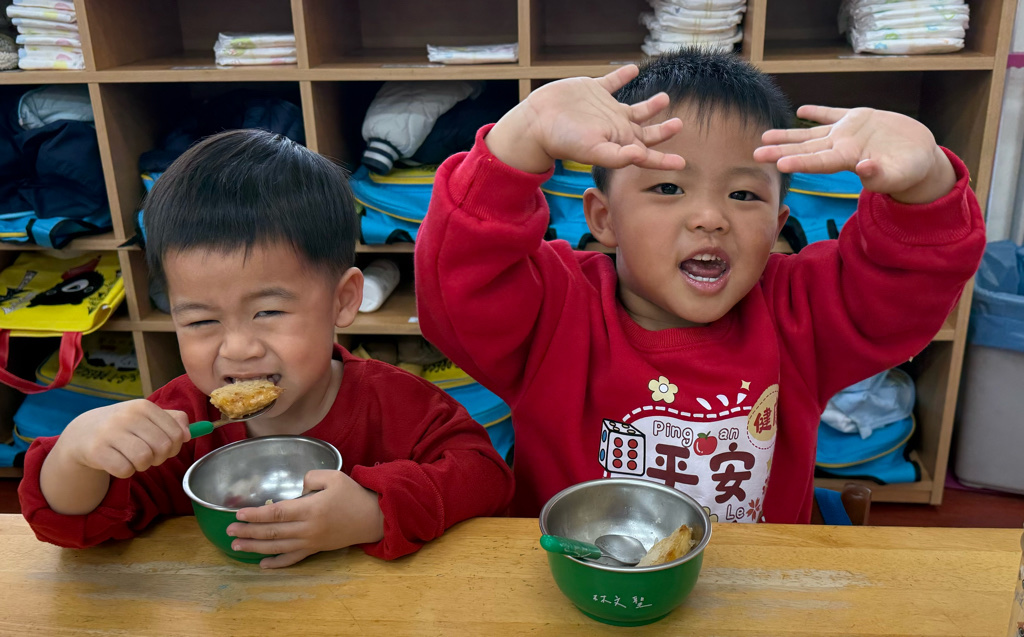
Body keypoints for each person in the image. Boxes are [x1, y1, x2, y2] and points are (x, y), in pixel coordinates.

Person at [415, 48, 985, 523]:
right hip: (575, 596)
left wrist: (926, 185)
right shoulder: (555, 311)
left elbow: (902, 290)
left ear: (777, 227)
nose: (710, 218)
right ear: (603, 218)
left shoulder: (800, 313)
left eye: (744, 194)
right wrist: (518, 141)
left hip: (753, 598)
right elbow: (459, 282)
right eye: (668, 188)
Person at [19, 129, 514, 567]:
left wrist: (373, 513)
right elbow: (69, 526)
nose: (238, 349)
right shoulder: (178, 422)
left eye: (269, 312)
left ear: (342, 300)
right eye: (201, 320)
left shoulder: (399, 405)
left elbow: (487, 478)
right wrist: (76, 454)